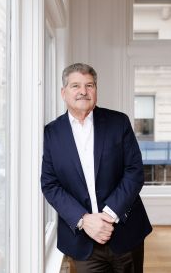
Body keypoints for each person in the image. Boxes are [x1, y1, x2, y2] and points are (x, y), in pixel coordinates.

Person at [41, 63, 152, 273]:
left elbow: (134, 172)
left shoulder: (118, 122)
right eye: (76, 86)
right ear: (64, 93)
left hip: (125, 233)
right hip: (82, 241)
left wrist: (108, 215)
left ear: (96, 90)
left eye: (89, 85)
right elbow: (50, 184)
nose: (83, 91)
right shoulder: (51, 133)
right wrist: (84, 220)